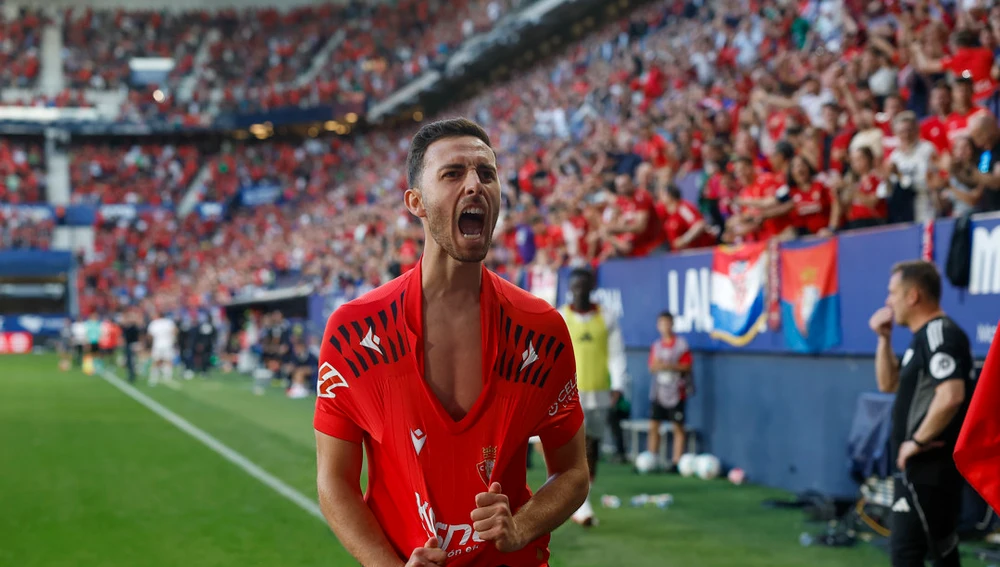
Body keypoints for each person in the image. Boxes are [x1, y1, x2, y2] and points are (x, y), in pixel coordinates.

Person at [314, 117, 589, 567]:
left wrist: (522, 525)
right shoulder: (353, 333)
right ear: (416, 203)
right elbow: (334, 482)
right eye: (453, 173)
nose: (475, 185)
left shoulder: (542, 328)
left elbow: (573, 472)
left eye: (487, 173)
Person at [868, 260, 972, 567]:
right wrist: (884, 339)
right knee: (936, 555)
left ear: (913, 296)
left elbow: (951, 395)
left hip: (928, 468)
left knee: (910, 554)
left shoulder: (940, 333)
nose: (888, 301)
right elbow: (888, 383)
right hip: (915, 469)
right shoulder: (922, 338)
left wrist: (916, 441)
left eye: (893, 293)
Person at [559, 267, 627, 526]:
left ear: (593, 287)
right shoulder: (561, 316)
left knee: (593, 446)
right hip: (570, 393)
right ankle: (581, 505)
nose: (580, 290)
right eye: (576, 286)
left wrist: (619, 384)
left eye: (585, 285)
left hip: (600, 392)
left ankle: (582, 496)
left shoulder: (606, 318)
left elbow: (616, 353)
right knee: (580, 444)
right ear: (570, 288)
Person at [647, 311, 693, 471]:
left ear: (672, 324)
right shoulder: (656, 345)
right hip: (659, 391)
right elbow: (652, 367)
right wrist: (657, 365)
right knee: (654, 425)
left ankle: (676, 462)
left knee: (677, 427)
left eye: (667, 323)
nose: (665, 326)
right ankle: (651, 459)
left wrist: (669, 365)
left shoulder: (681, 344)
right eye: (662, 323)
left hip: (676, 392)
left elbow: (687, 366)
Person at [147, 312, 178, 386]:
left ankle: (153, 378)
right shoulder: (169, 322)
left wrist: (150, 344)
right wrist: (173, 339)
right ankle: (167, 378)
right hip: (168, 344)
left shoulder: (154, 323)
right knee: (168, 361)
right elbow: (175, 331)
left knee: (156, 361)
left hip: (157, 344)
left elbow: (149, 335)